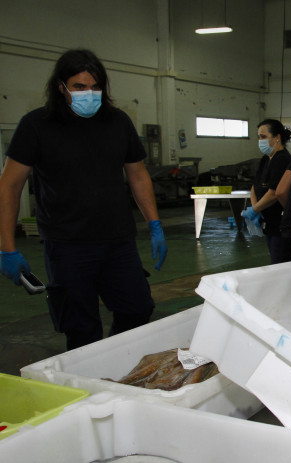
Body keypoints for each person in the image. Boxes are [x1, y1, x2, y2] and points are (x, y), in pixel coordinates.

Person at [0, 49, 167, 350]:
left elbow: (138, 175)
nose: (89, 93)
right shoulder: (37, 125)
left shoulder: (118, 122)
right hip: (68, 245)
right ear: (61, 87)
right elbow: (10, 186)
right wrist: (7, 248)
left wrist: (154, 223)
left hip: (118, 241)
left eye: (95, 86)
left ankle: (114, 361)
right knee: (80, 326)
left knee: (138, 309)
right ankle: (88, 385)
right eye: (79, 87)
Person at [244, 119, 291, 264]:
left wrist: (255, 209)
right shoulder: (266, 159)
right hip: (268, 223)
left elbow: (275, 193)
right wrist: (255, 208)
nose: (260, 141)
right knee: (274, 258)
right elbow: (255, 185)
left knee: (280, 263)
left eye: (263, 137)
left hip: (280, 224)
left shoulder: (283, 160)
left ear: (277, 137)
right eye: (259, 137)